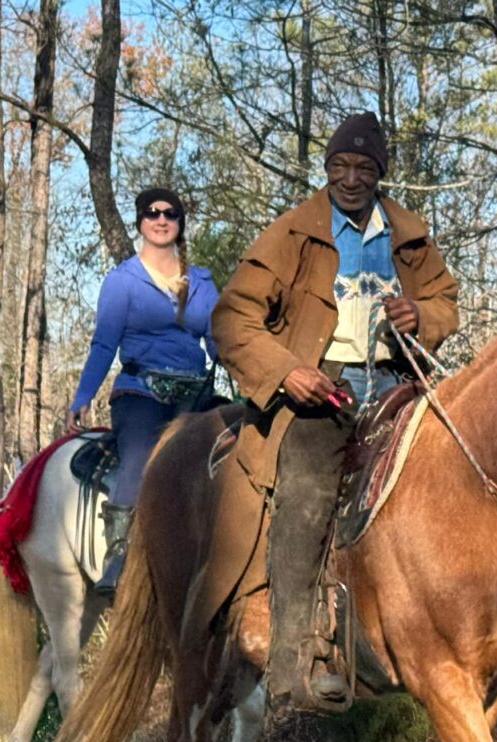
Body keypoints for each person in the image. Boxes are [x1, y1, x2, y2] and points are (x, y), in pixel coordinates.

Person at [211, 112, 460, 710]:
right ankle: (293, 660)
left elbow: (444, 300)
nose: (351, 179)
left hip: (400, 383)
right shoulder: (295, 232)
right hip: (324, 386)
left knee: (458, 471)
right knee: (307, 491)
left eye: (364, 168)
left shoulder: (408, 235)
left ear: (380, 173)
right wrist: (286, 373)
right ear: (326, 169)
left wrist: (421, 316)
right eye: (340, 166)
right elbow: (233, 316)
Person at [68, 187, 219, 596]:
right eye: (152, 213)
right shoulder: (122, 281)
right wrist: (82, 397)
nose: (161, 219)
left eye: (170, 213)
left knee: (237, 447)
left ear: (180, 223)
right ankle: (118, 554)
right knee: (138, 455)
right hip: (141, 392)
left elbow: (218, 340)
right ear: (140, 222)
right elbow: (104, 344)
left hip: (195, 393)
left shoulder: (202, 282)